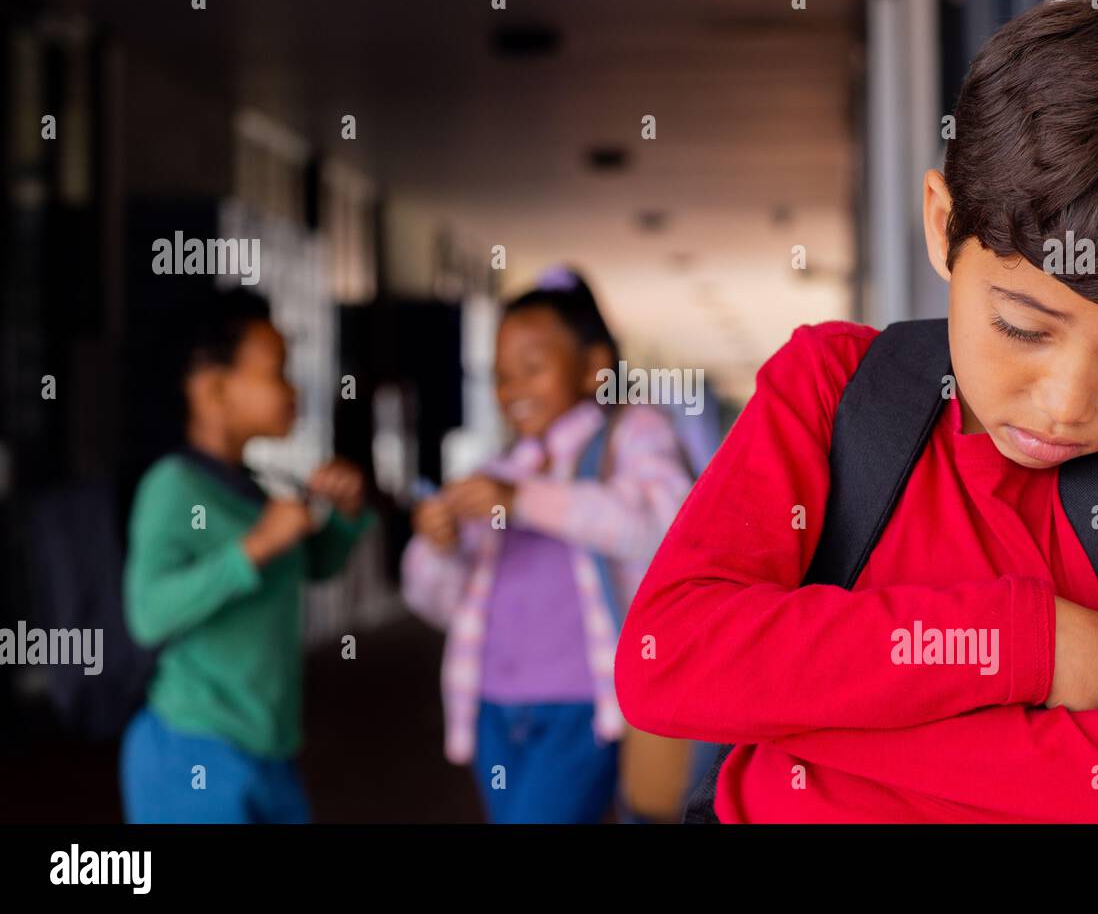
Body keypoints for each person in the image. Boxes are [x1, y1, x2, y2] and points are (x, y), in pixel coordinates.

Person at [615, 0, 1098, 822]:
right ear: (942, 222)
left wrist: (795, 710)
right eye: (1023, 328)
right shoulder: (833, 385)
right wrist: (1016, 645)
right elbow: (662, 656)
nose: (1067, 403)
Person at [401, 268, 693, 823]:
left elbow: (666, 529)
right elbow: (438, 603)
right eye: (501, 375)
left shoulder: (633, 434)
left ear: (592, 367)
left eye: (532, 369)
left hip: (584, 706)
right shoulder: (497, 470)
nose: (513, 390)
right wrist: (437, 547)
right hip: (491, 706)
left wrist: (523, 500)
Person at [119, 288, 373, 823]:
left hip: (270, 750)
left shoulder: (252, 487)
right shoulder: (172, 487)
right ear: (213, 390)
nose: (292, 388)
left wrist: (345, 514)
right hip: (193, 751)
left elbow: (313, 567)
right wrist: (257, 546)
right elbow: (148, 614)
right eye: (277, 371)